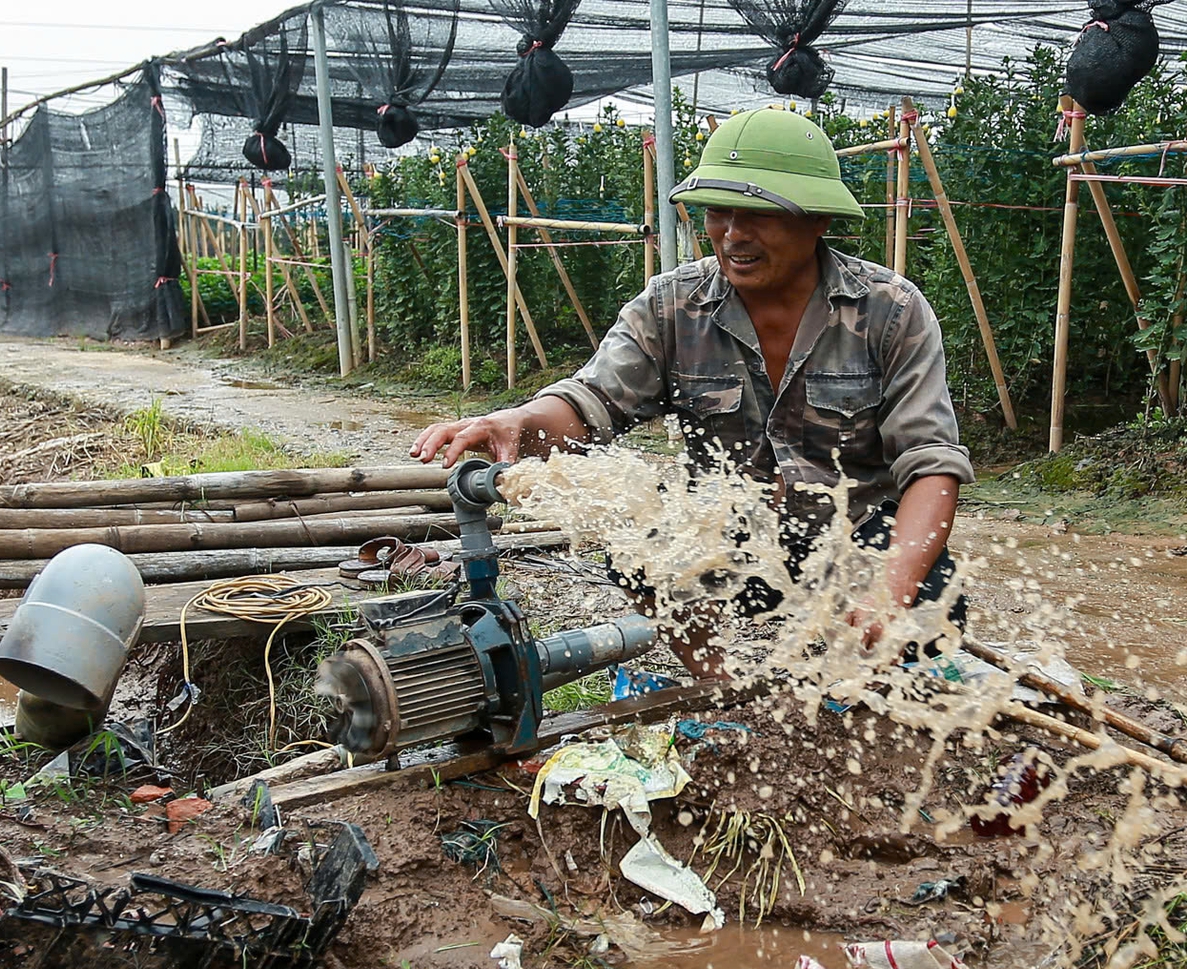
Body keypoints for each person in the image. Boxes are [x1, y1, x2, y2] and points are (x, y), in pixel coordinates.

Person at [411, 106, 974, 675]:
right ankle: (722, 686)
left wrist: (892, 589)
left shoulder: (890, 310)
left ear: (816, 220)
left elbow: (930, 464)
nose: (733, 234)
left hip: (854, 531)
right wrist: (520, 421)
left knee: (929, 604)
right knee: (641, 537)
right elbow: (592, 403)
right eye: (717, 212)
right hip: (731, 534)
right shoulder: (672, 306)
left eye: (757, 214)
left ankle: (884, 690)